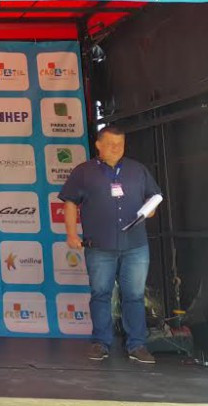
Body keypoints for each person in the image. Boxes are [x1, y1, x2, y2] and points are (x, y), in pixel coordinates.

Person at [58, 125, 161, 364]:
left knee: (134, 295)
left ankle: (137, 345)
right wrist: (71, 234)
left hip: (135, 246)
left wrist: (151, 209)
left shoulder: (137, 170)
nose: (116, 148)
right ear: (98, 145)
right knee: (101, 294)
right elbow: (70, 203)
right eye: (111, 144)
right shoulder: (84, 172)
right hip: (99, 246)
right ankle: (100, 343)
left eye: (120, 144)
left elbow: (153, 197)